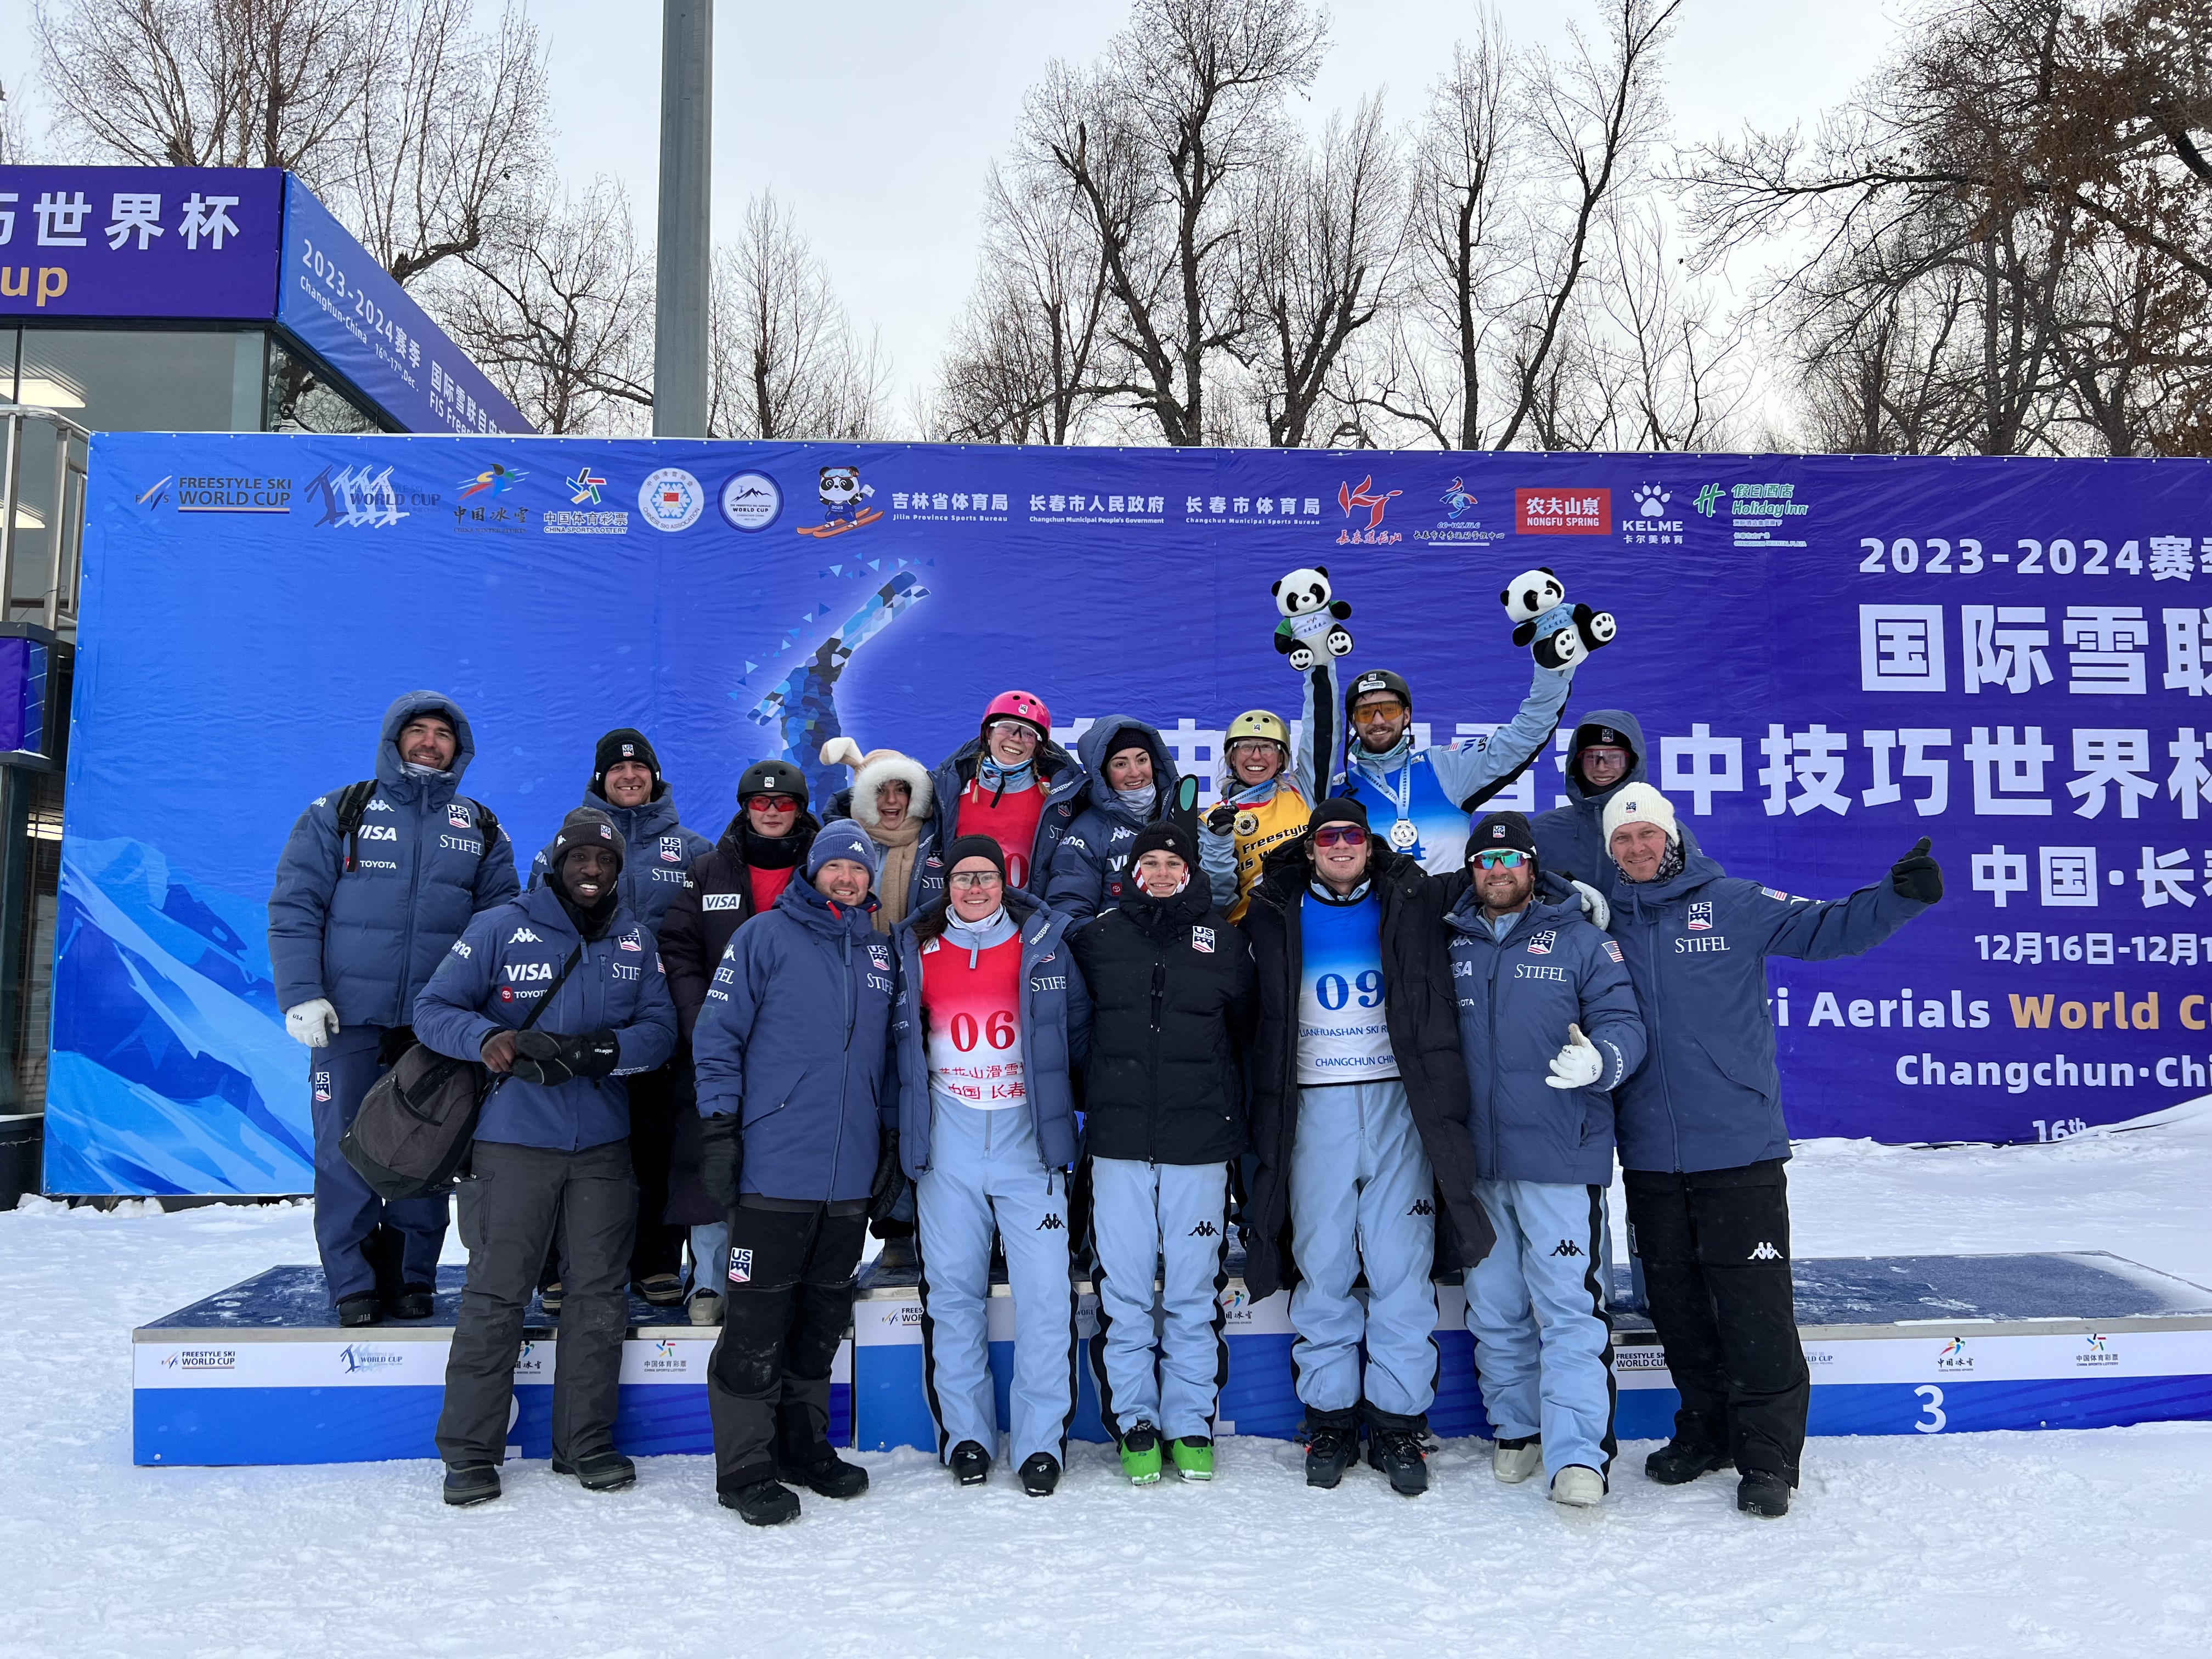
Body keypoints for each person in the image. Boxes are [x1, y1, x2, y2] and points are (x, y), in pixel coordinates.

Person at [1602, 784, 1942, 1519]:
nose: (1636, 850)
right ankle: (1705, 1431)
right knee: (1680, 1309)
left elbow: (1827, 930)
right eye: (1622, 842)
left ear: (1673, 839)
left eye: (1647, 837)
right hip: (1652, 1154)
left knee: (1753, 1309)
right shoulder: (1602, 921)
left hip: (1738, 1149)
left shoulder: (1732, 900)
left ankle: (1766, 1457)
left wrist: (1897, 897)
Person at [413, 807, 677, 1507]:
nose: (592, 872)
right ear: (556, 863)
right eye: (580, 859)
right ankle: (470, 1453)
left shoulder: (635, 940)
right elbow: (434, 1008)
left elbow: (659, 1028)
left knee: (597, 1299)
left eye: (606, 862)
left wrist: (610, 1051)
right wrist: (485, 1039)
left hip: (602, 1149)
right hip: (513, 1145)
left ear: (619, 871)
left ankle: (584, 1443)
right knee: (496, 1297)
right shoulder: (501, 925)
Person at [1238, 798, 1493, 1497]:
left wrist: (1575, 893)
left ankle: (1398, 1421)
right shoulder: (1272, 906)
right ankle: (1329, 1418)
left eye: (1352, 834)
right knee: (1321, 1268)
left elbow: (1500, 877)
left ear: (1369, 844)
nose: (1341, 845)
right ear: (1313, 847)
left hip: (1394, 1102)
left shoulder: (1410, 897)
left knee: (1399, 1271)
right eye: (1329, 836)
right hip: (1313, 1102)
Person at [268, 692, 518, 1327]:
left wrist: (482, 1015)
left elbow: (501, 928)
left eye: (443, 734)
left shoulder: (480, 827)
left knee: (426, 1152)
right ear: (394, 738)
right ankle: (352, 1284)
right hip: (347, 1018)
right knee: (344, 1150)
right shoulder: (339, 812)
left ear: (459, 749)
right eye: (419, 731)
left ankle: (412, 1277)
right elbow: (295, 907)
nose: (430, 742)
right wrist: (301, 995)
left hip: (436, 1027)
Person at [689, 820, 897, 1526]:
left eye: (858, 869)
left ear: (871, 879)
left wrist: (889, 1142)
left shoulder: (880, 950)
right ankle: (745, 1465)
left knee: (820, 1321)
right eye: (835, 867)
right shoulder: (763, 938)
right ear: (814, 872)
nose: (846, 878)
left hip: (847, 1178)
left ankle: (803, 1445)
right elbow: (717, 1037)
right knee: (756, 1323)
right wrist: (719, 1126)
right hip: (774, 1167)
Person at [1443, 811, 1644, 1509]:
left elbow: (1623, 1024)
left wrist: (1603, 1061)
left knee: (1567, 1309)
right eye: (1484, 864)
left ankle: (1578, 1455)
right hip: (1476, 1161)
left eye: (1510, 862)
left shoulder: (1583, 940)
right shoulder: (1450, 941)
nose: (1497, 874)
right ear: (1472, 872)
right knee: (1495, 1307)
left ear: (1532, 869)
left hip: (1560, 1153)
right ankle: (1517, 1430)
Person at [888, 834, 1091, 1497]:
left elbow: (1079, 1037)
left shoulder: (1043, 944)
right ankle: (969, 1436)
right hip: (949, 1139)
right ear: (947, 885)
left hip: (1026, 1140)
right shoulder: (916, 949)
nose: (975, 890)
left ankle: (1039, 1444)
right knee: (952, 1296)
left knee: (1043, 1299)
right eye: (963, 878)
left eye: (987, 877)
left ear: (1005, 882)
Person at [1068, 820, 1254, 1485]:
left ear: (1190, 872)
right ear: (1131, 871)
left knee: (1191, 1292)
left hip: (1199, 1147)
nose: (1163, 872)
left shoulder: (1225, 943)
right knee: (1122, 1294)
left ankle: (1191, 1421)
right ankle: (1138, 1421)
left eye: (1173, 862)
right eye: (1149, 861)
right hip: (1118, 1146)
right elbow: (1071, 1032)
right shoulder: (1097, 939)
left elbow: (1246, 1038)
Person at [530, 729, 712, 1310]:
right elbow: (529, 924)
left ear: (655, 777)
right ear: (600, 779)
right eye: (616, 770)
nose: (629, 777)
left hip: (660, 1027)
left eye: (639, 769)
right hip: (580, 1023)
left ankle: (656, 1262)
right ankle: (560, 1268)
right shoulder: (562, 848)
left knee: (659, 1146)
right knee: (575, 1149)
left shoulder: (693, 851)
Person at [660, 758, 820, 1327]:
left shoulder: (825, 870)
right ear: (744, 808)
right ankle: (708, 1279)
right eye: (760, 802)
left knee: (787, 1164)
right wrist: (702, 1019)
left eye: (783, 803)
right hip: (719, 1044)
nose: (772, 812)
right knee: (710, 1157)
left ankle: (787, 1274)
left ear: (800, 809)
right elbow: (677, 948)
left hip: (796, 1049)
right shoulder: (708, 872)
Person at [1333, 658, 1576, 876]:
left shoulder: (1444, 766)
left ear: (1406, 715)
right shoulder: (1336, 791)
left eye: (1389, 709)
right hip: (1377, 921)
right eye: (1365, 713)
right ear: (1353, 722)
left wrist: (1552, 668)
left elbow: (1522, 738)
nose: (1378, 720)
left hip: (1449, 920)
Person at [1199, 664, 1335, 924]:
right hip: (1255, 932)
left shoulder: (1302, 789)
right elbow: (1217, 904)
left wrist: (1319, 661)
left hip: (1317, 920)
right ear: (1232, 756)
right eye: (1247, 746)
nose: (1257, 756)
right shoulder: (1212, 820)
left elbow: (1322, 731)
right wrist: (1218, 844)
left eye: (1267, 747)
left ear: (1282, 757)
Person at [927, 690, 1086, 892]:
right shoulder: (952, 788)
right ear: (988, 733)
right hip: (966, 910)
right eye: (1006, 728)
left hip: (1030, 916)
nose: (1016, 738)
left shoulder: (1058, 795)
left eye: (1028, 733)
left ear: (1039, 745)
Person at [1531, 711, 1702, 895]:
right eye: (1591, 757)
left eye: (1614, 757)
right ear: (1576, 762)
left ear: (1632, 761)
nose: (1602, 766)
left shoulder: (1667, 830)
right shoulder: (1542, 830)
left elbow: (1697, 894)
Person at [1043, 716, 1181, 923]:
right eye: (1120, 764)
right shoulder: (1086, 833)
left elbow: (1213, 896)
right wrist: (1112, 940)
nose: (1135, 772)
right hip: (1118, 952)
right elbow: (1068, 913)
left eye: (1142, 760)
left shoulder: (1181, 816)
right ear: (1104, 774)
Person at [819, 737, 944, 933]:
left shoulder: (937, 843)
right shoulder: (836, 844)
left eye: (901, 790)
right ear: (864, 797)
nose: (891, 800)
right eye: (880, 790)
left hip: (918, 957)